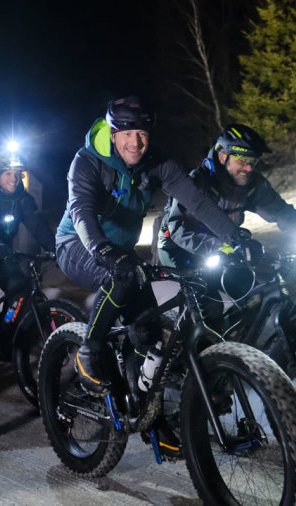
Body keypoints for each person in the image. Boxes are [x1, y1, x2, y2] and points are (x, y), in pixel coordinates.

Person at [54, 95, 242, 394]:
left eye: (141, 134)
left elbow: (196, 200)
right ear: (113, 133)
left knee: (149, 331)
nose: (135, 143)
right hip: (78, 244)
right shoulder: (87, 161)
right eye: (127, 134)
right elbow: (81, 209)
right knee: (121, 277)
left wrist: (235, 236)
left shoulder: (156, 163)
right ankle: (88, 352)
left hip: (122, 252)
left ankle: (139, 398)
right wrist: (102, 249)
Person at [157, 124, 296, 327]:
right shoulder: (197, 182)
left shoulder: (251, 184)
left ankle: (239, 348)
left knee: (246, 291)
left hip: (226, 245)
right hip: (178, 248)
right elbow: (180, 231)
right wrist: (224, 248)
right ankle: (199, 352)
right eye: (242, 160)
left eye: (253, 162)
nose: (249, 168)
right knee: (205, 306)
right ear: (223, 157)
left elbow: (282, 212)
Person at [0, 152, 56, 360]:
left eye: (17, 173)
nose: (13, 179)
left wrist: (56, 249)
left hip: (3, 250)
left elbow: (39, 227)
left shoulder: (23, 199)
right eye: (7, 173)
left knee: (20, 287)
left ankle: (5, 331)